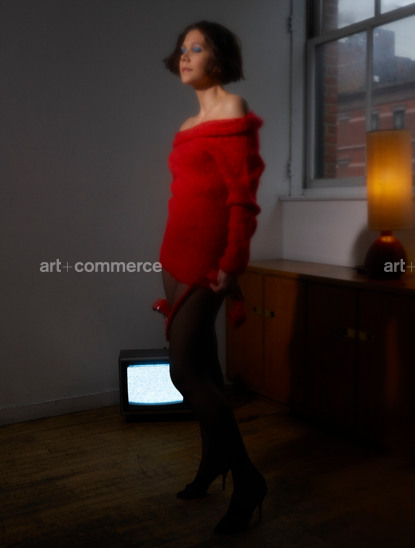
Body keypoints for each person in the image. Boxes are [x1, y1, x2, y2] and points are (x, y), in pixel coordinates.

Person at [159, 20, 266, 535]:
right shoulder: (187, 124)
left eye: (196, 48)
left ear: (218, 58)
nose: (185, 56)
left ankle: (247, 480)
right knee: (205, 366)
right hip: (173, 253)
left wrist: (232, 261)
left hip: (209, 258)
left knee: (185, 372)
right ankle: (212, 463)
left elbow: (242, 198)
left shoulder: (233, 109)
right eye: (182, 49)